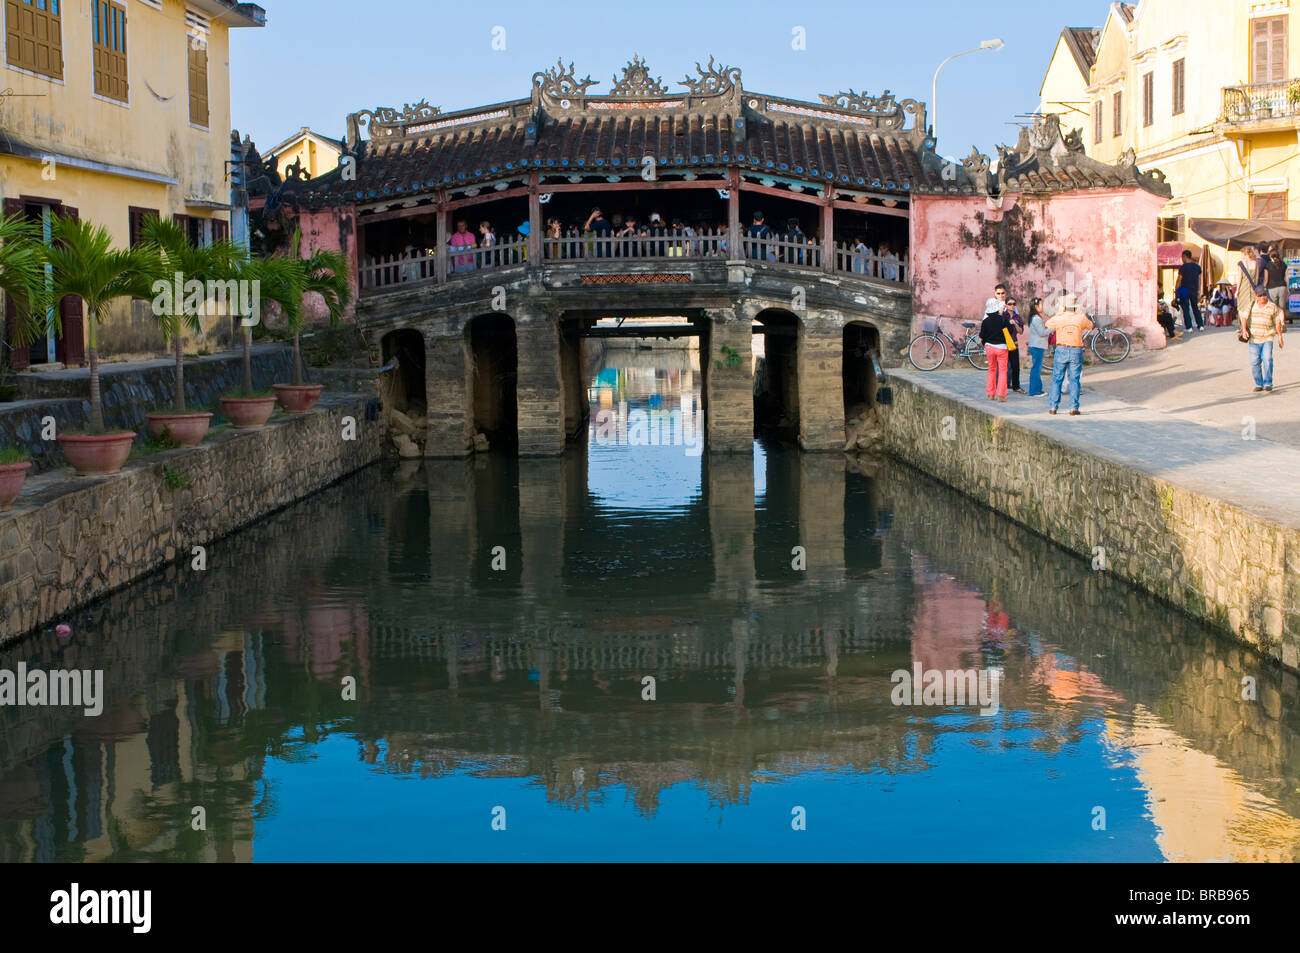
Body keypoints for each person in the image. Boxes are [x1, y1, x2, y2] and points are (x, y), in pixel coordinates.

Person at [1046, 293, 1094, 415]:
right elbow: (1090, 326)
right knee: (1074, 380)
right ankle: (1073, 407)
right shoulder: (1081, 317)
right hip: (1076, 350)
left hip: (1061, 349)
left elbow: (1048, 324)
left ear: (1064, 306)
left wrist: (1060, 313)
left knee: (1057, 379)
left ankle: (1053, 407)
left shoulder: (1059, 317)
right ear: (1075, 306)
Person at [1241, 289, 1286, 392]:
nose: (1262, 298)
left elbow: (1277, 323)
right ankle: (1258, 383)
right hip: (1254, 338)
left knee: (1267, 359)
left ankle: (1268, 383)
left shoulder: (1272, 306)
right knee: (1254, 362)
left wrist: (1280, 337)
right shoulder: (1251, 304)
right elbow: (1244, 317)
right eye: (1260, 295)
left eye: (1264, 295)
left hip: (1267, 337)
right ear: (1256, 296)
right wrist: (1244, 330)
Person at [979, 287, 1013, 401]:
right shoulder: (1003, 319)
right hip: (1002, 348)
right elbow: (1010, 330)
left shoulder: (985, 321)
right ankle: (1002, 395)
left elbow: (982, 335)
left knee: (991, 369)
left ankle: (990, 394)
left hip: (989, 347)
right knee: (1003, 370)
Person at [1026, 297, 1050, 397]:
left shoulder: (1035, 317)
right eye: (1041, 304)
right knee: (1036, 369)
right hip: (1037, 346)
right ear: (1036, 306)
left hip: (1036, 346)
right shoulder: (1036, 318)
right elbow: (1042, 332)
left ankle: (1037, 389)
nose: (1043, 306)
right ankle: (1035, 391)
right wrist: (1052, 329)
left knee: (1036, 368)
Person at [1175, 249, 1203, 332]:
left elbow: (1179, 279)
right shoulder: (1197, 267)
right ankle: (1200, 325)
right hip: (1194, 289)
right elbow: (1199, 279)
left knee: (1185, 309)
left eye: (1182, 257)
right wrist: (1199, 290)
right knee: (1195, 307)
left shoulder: (1182, 267)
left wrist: (1176, 290)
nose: (1182, 259)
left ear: (1184, 256)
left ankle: (1189, 327)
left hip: (1184, 289)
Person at [1005, 295, 1025, 392]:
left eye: (1014, 304)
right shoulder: (1003, 316)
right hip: (1004, 343)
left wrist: (1015, 323)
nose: (1012, 306)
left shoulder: (1017, 317)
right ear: (1006, 305)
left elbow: (1021, 331)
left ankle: (1016, 386)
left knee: (1015, 366)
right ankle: (1002, 385)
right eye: (1010, 304)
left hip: (1013, 343)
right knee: (1003, 366)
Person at [1266, 247, 1289, 319]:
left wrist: (1264, 287)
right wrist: (1287, 288)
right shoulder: (1284, 264)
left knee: (1273, 307)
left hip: (1272, 287)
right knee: (1282, 308)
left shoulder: (1268, 265)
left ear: (1270, 256)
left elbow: (1266, 279)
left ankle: (1275, 323)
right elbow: (1287, 277)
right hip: (1282, 287)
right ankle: (1282, 323)